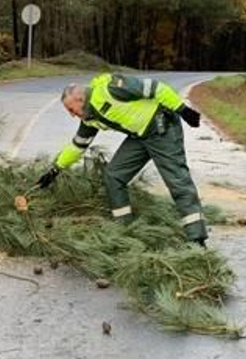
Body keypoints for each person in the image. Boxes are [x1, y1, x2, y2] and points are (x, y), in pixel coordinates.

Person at [36, 72, 208, 244]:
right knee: (113, 175)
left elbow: (156, 88)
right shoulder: (89, 118)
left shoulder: (110, 89)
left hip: (161, 128)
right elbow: (77, 145)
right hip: (140, 137)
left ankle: (197, 238)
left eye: (71, 109)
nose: (72, 115)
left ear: (80, 99)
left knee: (177, 180)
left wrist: (182, 109)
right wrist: (55, 169)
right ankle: (125, 229)